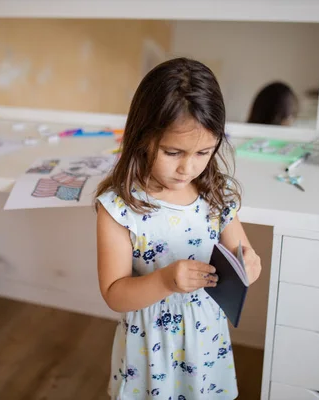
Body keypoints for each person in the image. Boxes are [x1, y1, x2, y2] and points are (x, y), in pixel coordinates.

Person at [94, 57, 262, 399]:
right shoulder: (119, 207)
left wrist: (249, 262)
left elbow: (240, 252)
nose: (189, 167)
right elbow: (114, 294)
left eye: (203, 152)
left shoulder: (216, 194)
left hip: (206, 342)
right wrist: (165, 280)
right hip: (151, 348)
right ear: (143, 137)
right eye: (173, 152)